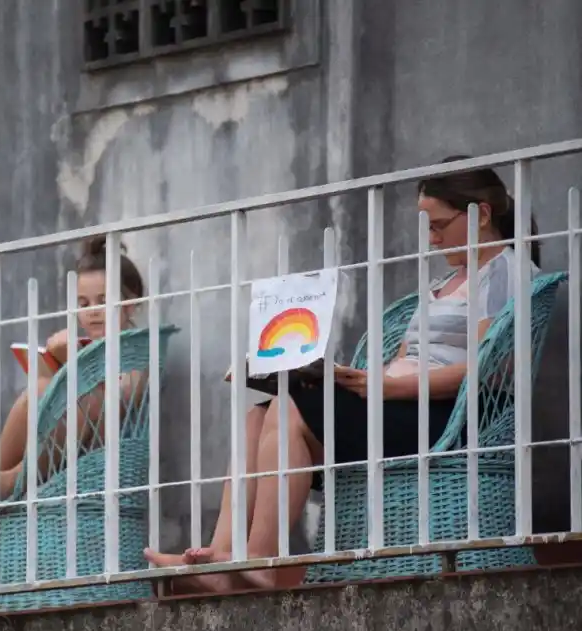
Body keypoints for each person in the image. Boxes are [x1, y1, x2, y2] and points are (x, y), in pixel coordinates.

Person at [145, 157, 541, 591]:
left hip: (442, 417)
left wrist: (388, 388)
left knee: (288, 409)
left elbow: (485, 371)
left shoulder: (505, 270)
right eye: (428, 227)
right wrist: (345, 379)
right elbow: (406, 359)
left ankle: (261, 561)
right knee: (257, 416)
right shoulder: (444, 284)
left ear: (481, 215)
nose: (432, 238)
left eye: (439, 225)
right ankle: (218, 557)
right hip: (396, 402)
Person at [0, 236, 145, 507]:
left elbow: (120, 401)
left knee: (76, 400)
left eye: (104, 300)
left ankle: (13, 479)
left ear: (130, 303)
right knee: (40, 388)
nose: (93, 311)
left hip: (104, 443)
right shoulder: (84, 343)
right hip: (63, 446)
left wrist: (73, 359)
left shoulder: (138, 349)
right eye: (83, 304)